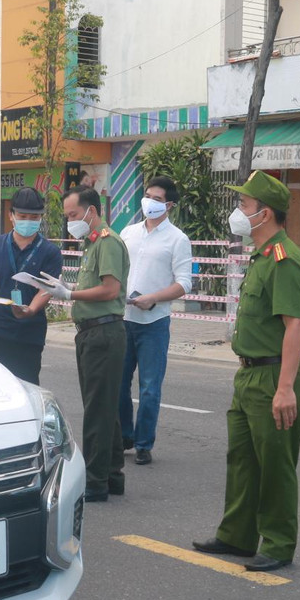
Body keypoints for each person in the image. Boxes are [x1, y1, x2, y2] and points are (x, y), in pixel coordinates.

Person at [192, 171, 300, 573]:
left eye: (243, 205)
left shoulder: (285, 259)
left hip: (273, 376)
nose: (237, 212)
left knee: (275, 462)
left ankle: (277, 543)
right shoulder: (261, 256)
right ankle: (237, 535)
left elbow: (295, 325)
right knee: (242, 458)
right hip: (248, 374)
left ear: (265, 214)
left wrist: (286, 389)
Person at [43, 186, 130, 502]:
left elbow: (110, 289)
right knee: (106, 407)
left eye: (73, 215)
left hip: (103, 333)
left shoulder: (107, 242)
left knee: (97, 410)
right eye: (67, 216)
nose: (70, 221)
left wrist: (70, 294)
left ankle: (95, 481)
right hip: (94, 333)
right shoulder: (93, 243)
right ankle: (112, 474)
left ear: (91, 211)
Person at [118, 176, 193, 466]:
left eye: (157, 198)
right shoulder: (128, 233)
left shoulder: (177, 239)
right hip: (124, 318)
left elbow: (184, 283)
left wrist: (153, 297)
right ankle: (125, 435)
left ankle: (143, 443)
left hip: (154, 323)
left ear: (170, 205)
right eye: (147, 195)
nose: (149, 201)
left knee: (149, 387)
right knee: (119, 383)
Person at [0, 186, 63, 384]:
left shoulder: (50, 252)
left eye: (34, 218)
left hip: (29, 333)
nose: (28, 222)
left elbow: (47, 288)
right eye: (23, 216)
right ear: (11, 215)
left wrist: (31, 310)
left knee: (26, 387)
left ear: (41, 217)